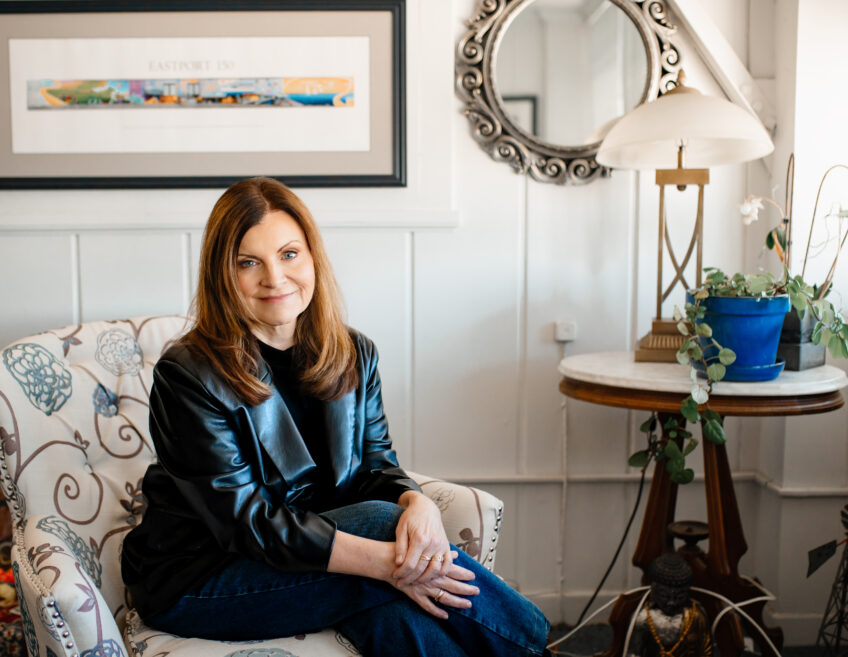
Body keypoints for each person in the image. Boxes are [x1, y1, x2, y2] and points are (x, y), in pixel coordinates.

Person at [121, 177, 550, 656]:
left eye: (289, 254)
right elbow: (249, 523)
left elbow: (375, 466)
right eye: (248, 263)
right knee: (384, 529)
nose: (275, 278)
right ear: (222, 274)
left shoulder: (353, 352)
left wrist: (418, 503)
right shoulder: (189, 375)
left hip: (304, 560)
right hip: (201, 578)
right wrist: (387, 562)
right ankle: (539, 648)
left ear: (312, 258)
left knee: (396, 610)